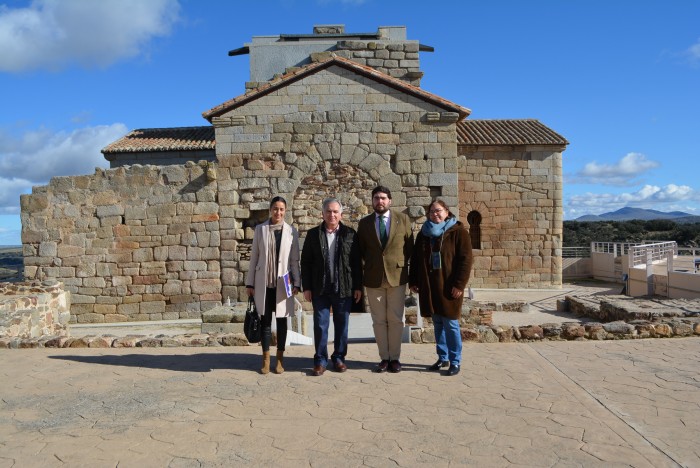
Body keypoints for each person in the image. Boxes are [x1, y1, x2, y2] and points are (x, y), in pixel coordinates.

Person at [409, 199, 473, 376]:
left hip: (449, 286)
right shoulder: (424, 233)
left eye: (438, 211)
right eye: (432, 212)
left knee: (451, 323)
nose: (435, 214)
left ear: (447, 211)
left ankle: (455, 360)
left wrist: (459, 284)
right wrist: (414, 280)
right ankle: (442, 357)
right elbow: (415, 259)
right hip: (430, 285)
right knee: (437, 323)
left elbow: (466, 260)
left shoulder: (458, 232)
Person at [301, 198, 363, 376]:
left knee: (342, 325)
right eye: (328, 211)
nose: (332, 215)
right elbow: (305, 262)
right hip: (320, 288)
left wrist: (357, 286)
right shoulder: (313, 235)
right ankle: (320, 360)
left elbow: (357, 263)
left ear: (341, 214)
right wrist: (307, 287)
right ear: (322, 213)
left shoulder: (350, 234)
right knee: (321, 325)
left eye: (335, 212)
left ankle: (339, 357)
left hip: (343, 287)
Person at [357, 186, 414, 373]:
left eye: (383, 198)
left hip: (397, 277)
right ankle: (384, 358)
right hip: (374, 279)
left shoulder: (403, 219)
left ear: (390, 200)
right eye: (376, 198)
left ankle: (395, 358)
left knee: (396, 319)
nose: (379, 201)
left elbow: (409, 248)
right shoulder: (364, 223)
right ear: (372, 201)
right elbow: (362, 251)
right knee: (379, 320)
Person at [245, 196, 301, 375]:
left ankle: (280, 360)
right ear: (270, 210)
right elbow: (254, 258)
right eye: (275, 208)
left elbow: (294, 261)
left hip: (283, 283)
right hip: (264, 282)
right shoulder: (261, 230)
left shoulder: (291, 231)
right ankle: (266, 360)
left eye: (282, 209)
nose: (278, 212)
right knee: (266, 322)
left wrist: (297, 282)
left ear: (285, 211)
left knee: (282, 322)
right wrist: (250, 282)